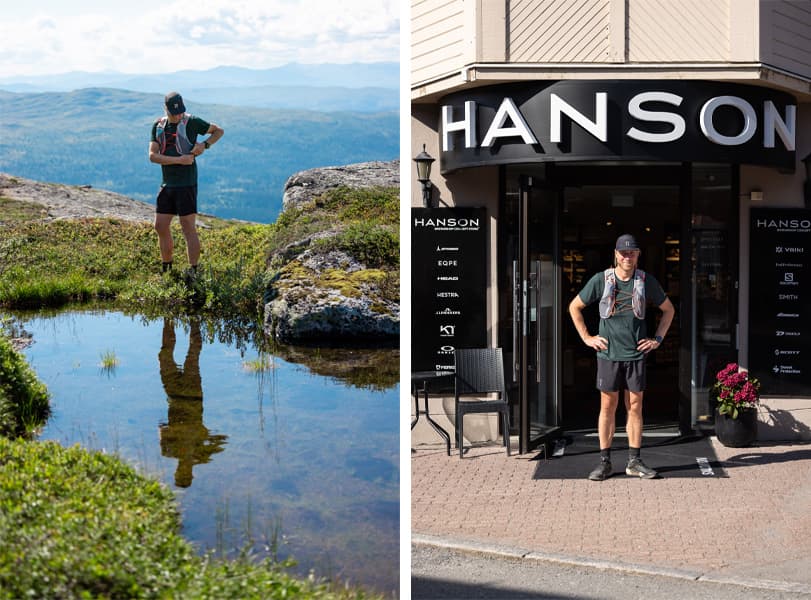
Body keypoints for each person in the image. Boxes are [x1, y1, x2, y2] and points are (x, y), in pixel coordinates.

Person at [568, 234, 675, 481]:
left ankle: (634, 462)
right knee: (608, 406)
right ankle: (604, 462)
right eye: (624, 253)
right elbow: (574, 307)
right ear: (616, 254)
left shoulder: (645, 281)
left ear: (638, 255)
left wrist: (657, 339)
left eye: (632, 252)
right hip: (608, 355)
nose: (628, 257)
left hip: (636, 355)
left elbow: (668, 310)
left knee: (635, 406)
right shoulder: (601, 280)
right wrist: (587, 338)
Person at [148, 92, 224, 273]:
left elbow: (218, 131)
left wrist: (204, 145)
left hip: (186, 184)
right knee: (160, 226)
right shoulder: (158, 126)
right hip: (167, 184)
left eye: (180, 111)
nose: (178, 115)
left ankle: (194, 270)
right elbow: (152, 156)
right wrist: (179, 160)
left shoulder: (192, 122)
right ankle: (167, 268)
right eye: (174, 113)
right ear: (165, 109)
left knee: (188, 227)